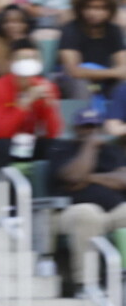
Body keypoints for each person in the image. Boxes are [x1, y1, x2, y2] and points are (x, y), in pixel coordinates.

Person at [53, 107, 126, 291]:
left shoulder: (112, 151)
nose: (90, 131)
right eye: (85, 127)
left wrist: (90, 178)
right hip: (70, 211)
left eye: (94, 127)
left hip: (113, 210)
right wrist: (89, 146)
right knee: (88, 214)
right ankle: (88, 285)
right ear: (76, 128)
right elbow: (73, 177)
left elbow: (123, 180)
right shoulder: (62, 148)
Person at [0, 40, 62, 167]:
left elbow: (53, 132)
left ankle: (49, 186)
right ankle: (4, 186)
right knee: (3, 145)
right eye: (23, 59)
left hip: (25, 146)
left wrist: (49, 105)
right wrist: (26, 102)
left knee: (56, 147)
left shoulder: (46, 86)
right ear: (11, 63)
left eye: (33, 58)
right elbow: (0, 133)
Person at [57, 0, 126, 102]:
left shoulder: (114, 31)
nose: (94, 13)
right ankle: (83, 119)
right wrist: (113, 73)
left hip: (105, 81)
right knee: (80, 84)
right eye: (89, 7)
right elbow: (74, 71)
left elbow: (123, 68)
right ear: (80, 8)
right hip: (74, 82)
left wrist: (115, 73)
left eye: (101, 8)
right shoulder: (70, 29)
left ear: (110, 10)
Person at [0, 5, 35, 84]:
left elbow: (35, 70)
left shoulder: (30, 41)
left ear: (26, 25)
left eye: (18, 22)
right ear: (1, 25)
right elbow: (0, 73)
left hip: (24, 86)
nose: (13, 26)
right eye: (7, 22)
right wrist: (18, 45)